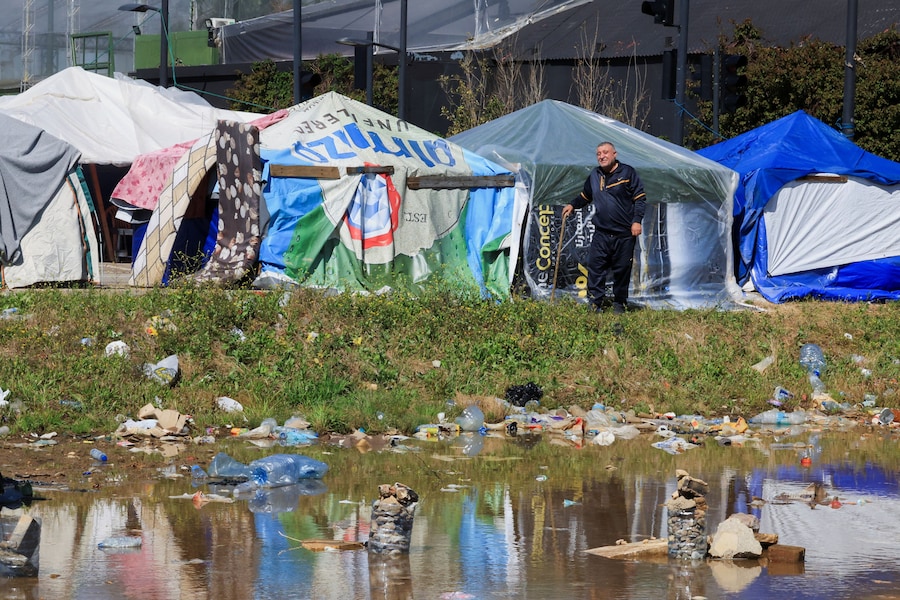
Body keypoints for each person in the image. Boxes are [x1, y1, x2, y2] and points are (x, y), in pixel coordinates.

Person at [562, 142, 646, 314]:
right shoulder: (595, 175)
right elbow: (585, 196)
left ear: (614, 154)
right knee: (596, 268)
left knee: (622, 270)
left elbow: (640, 198)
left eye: (605, 152)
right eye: (598, 153)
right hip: (601, 233)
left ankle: (619, 305)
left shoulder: (627, 172)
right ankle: (595, 304)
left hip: (624, 234)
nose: (602, 156)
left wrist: (637, 220)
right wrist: (572, 205)